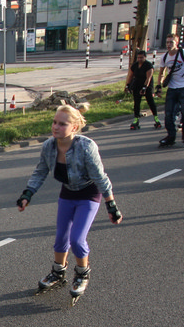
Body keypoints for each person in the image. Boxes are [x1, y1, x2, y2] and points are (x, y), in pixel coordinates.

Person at [15, 105, 122, 302]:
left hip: (89, 194)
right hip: (67, 193)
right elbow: (40, 171)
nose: (56, 127)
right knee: (61, 238)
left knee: (77, 240)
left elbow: (100, 178)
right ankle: (58, 272)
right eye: (54, 122)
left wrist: (111, 205)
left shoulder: (86, 147)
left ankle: (82, 274)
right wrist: (27, 194)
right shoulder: (49, 146)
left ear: (74, 127)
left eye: (62, 124)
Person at [123, 49, 161, 130]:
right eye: (138, 57)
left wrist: (144, 88)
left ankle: (156, 118)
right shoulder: (135, 65)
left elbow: (148, 78)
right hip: (137, 84)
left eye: (141, 57)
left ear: (145, 57)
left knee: (150, 102)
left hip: (147, 85)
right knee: (136, 102)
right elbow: (130, 76)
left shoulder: (148, 65)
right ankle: (136, 119)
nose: (140, 59)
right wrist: (127, 85)